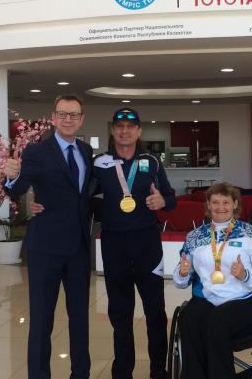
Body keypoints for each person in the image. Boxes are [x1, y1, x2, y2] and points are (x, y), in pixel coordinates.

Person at [3, 94, 93, 379]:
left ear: (81, 119)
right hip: (45, 248)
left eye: (74, 115)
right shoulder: (36, 151)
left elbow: (85, 194)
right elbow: (18, 189)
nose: (68, 119)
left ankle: (81, 373)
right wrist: (10, 176)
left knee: (80, 318)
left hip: (78, 247)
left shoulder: (86, 151)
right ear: (53, 118)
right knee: (42, 320)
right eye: (62, 114)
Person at [95, 108, 176, 379]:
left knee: (155, 310)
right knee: (120, 310)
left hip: (147, 243)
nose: (124, 131)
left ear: (139, 131)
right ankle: (122, 371)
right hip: (114, 243)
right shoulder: (101, 163)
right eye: (119, 126)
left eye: (130, 126)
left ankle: (158, 370)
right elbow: (82, 199)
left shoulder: (151, 162)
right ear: (112, 130)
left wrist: (162, 201)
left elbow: (170, 198)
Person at [173, 182, 252, 379]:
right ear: (208, 206)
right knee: (188, 319)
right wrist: (183, 272)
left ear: (235, 204)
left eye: (226, 202)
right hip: (206, 298)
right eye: (215, 202)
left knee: (216, 322)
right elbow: (181, 280)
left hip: (242, 299)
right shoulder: (195, 236)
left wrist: (245, 275)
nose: (221, 208)